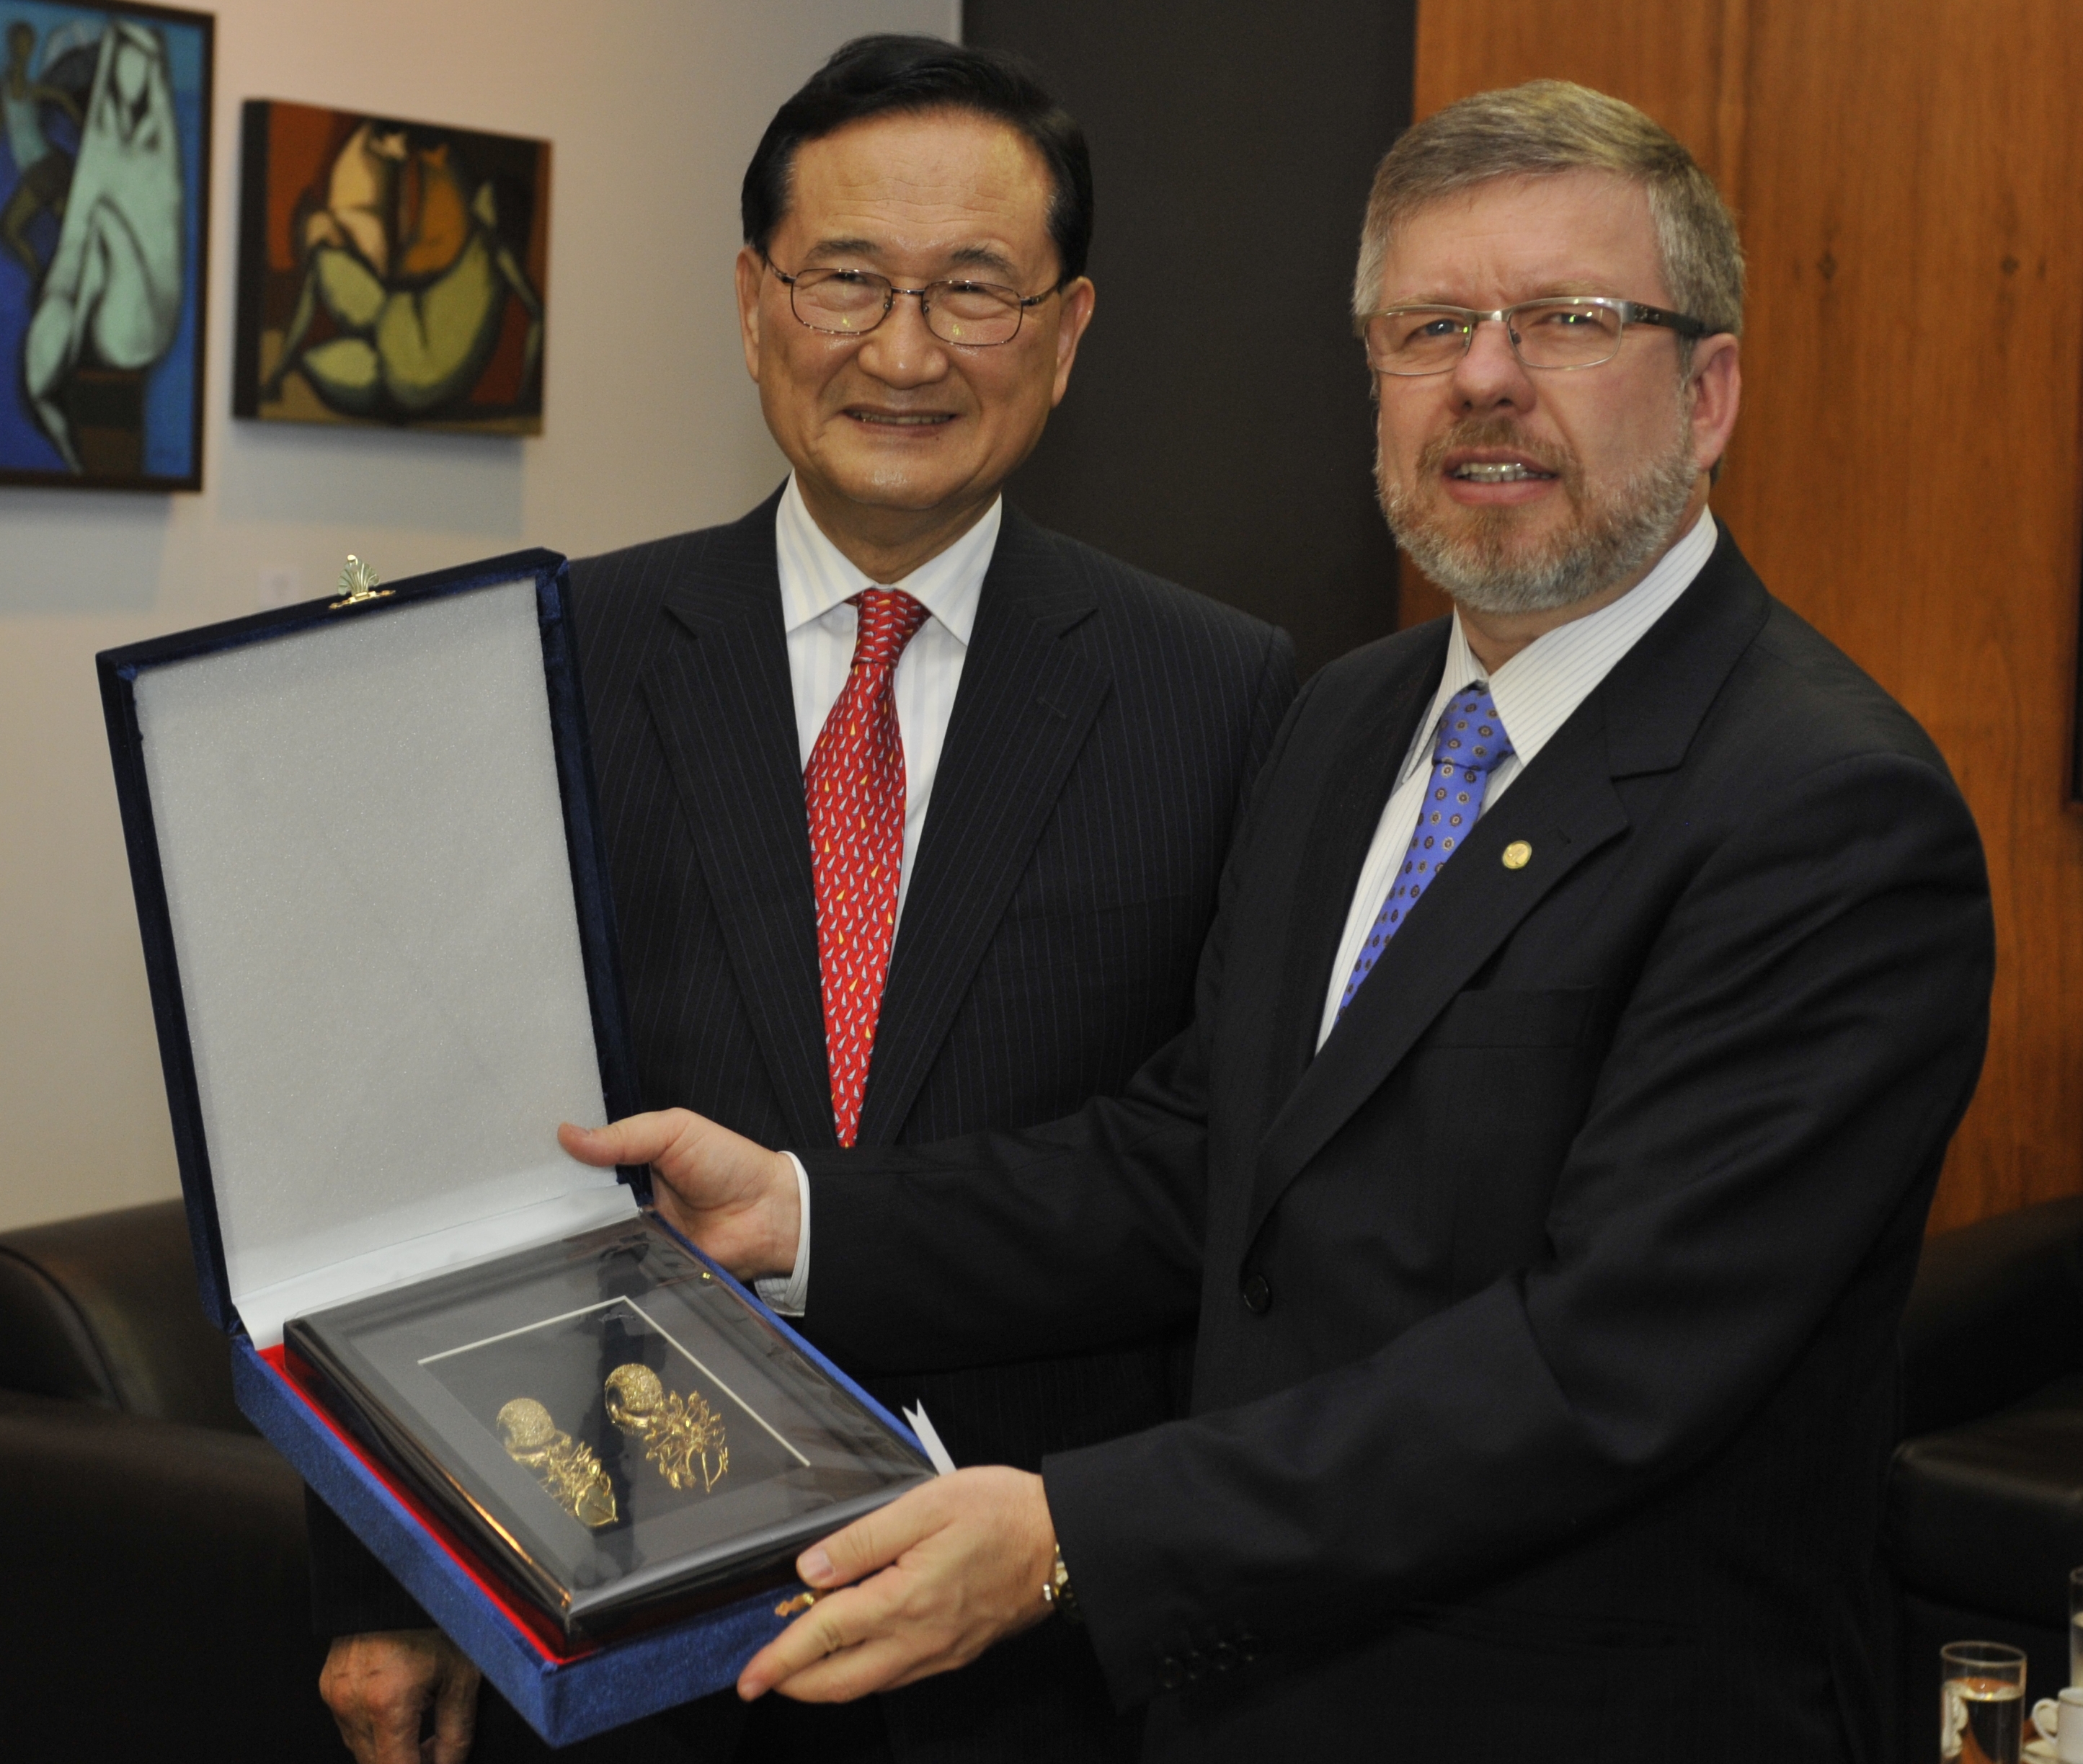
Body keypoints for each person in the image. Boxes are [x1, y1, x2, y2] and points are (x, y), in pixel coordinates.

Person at [566, 80, 1997, 1763]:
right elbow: (1202, 1159)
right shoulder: (1347, 720)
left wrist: (1077, 1536)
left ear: (1706, 391)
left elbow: (1596, 1363)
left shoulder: (1825, 813)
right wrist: (807, 1219)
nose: (1484, 376)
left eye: (1567, 322)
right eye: (1429, 325)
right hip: (1247, 1698)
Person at [308, 34, 1295, 1764]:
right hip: (600, 1637)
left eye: (971, 291)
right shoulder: (548, 667)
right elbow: (410, 1158)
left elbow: (1210, 1167)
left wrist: (819, 1228)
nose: (901, 352)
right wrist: (397, 1581)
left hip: (1037, 1660)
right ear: (755, 302)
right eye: (846, 280)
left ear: (1065, 334)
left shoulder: (1226, 699)